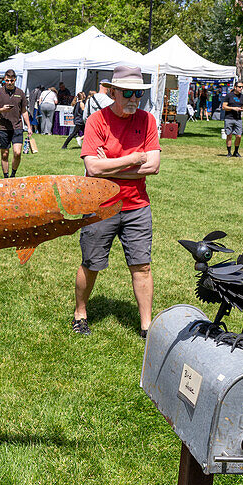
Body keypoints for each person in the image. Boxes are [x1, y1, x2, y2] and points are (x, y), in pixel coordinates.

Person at [72, 65, 161, 338]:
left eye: (139, 93)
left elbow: (154, 165)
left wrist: (109, 163)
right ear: (112, 92)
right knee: (92, 262)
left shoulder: (147, 120)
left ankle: (147, 326)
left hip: (137, 206)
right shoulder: (96, 121)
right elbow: (92, 169)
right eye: (128, 93)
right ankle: (80, 313)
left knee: (142, 265)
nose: (134, 98)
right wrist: (134, 159)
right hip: (101, 205)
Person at [0, 69, 32, 177]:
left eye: (11, 81)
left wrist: (29, 126)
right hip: (3, 127)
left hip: (17, 127)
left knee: (17, 153)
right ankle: (6, 177)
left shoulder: (20, 93)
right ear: (4, 80)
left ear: (15, 80)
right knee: (4, 154)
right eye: (7, 81)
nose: (9, 83)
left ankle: (13, 175)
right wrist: (2, 110)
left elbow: (24, 111)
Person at [222, 80, 243, 156]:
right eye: (239, 87)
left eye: (242, 87)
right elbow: (224, 107)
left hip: (238, 119)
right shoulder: (229, 96)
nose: (241, 88)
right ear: (235, 87)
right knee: (229, 135)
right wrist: (233, 108)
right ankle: (229, 152)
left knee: (238, 135)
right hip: (229, 118)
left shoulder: (242, 97)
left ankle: (236, 151)